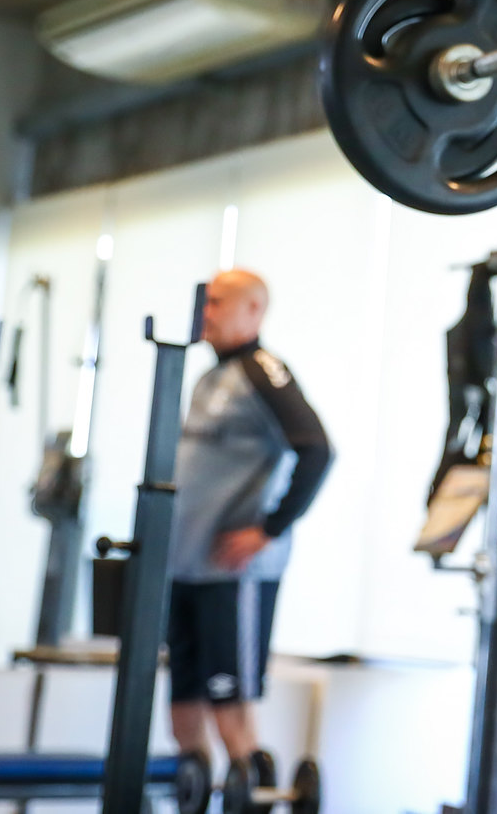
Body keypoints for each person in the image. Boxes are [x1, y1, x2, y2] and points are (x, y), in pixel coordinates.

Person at [166, 269, 333, 780]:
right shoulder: (208, 377)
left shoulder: (263, 371)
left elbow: (317, 451)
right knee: (182, 716)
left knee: (230, 713)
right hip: (186, 567)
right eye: (205, 302)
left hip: (231, 575)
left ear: (253, 310)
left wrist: (268, 529)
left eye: (217, 302)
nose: (206, 312)